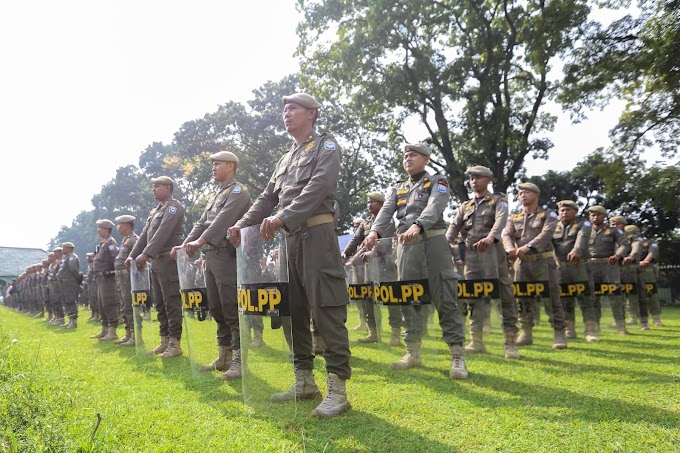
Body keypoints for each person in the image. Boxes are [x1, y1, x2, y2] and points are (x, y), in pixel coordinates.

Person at [227, 93, 351, 418]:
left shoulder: (326, 146)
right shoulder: (284, 159)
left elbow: (319, 186)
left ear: (311, 113)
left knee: (327, 309)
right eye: (284, 109)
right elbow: (268, 198)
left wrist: (285, 217)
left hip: (317, 235)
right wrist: (241, 224)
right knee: (292, 312)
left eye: (292, 108)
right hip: (288, 241)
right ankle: (305, 381)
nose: (286, 113)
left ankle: (338, 390)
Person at [365, 143, 469, 378]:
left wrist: (418, 225)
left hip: (433, 242)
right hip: (406, 248)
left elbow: (436, 206)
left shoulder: (437, 181)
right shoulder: (398, 187)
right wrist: (374, 232)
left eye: (413, 155)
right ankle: (412, 351)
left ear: (426, 158)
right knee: (408, 298)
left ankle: (457, 357)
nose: (407, 158)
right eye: (405, 155)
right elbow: (385, 212)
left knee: (445, 296)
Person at [173, 150, 252, 380]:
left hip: (227, 255)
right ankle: (224, 355)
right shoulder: (216, 194)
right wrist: (186, 244)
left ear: (231, 166)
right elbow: (201, 222)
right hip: (210, 255)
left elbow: (224, 219)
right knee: (216, 307)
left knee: (231, 306)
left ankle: (238, 360)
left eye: (217, 163)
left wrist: (201, 241)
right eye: (213, 164)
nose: (213, 167)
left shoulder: (239, 191)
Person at [446, 165, 520, 359]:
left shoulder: (498, 199)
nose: (474, 181)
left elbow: (501, 219)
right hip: (471, 256)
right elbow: (454, 226)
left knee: (504, 294)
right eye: (471, 178)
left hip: (493, 253)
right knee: (475, 296)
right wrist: (445, 242)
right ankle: (476, 340)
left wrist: (492, 237)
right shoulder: (466, 205)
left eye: (478, 177)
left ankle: (510, 342)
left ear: (489, 179)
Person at [502, 182, 567, 349]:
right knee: (522, 297)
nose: (523, 194)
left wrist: (527, 247)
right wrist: (509, 248)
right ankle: (526, 332)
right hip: (522, 264)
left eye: (527, 192)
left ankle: (559, 333)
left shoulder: (548, 215)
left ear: (536, 195)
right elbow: (507, 234)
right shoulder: (514, 217)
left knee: (551, 297)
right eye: (520, 192)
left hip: (543, 261)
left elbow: (546, 234)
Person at [127, 176, 185, 358]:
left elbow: (162, 233)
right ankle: (165, 341)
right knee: (159, 303)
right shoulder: (155, 210)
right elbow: (145, 235)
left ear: (168, 188)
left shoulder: (174, 207)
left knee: (171, 302)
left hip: (168, 260)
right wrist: (133, 255)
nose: (153, 189)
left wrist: (146, 254)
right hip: (156, 262)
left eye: (157, 186)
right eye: (153, 186)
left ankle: (175, 344)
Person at [342, 192, 401, 345]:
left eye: (373, 202)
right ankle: (373, 332)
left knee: (391, 297)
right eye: (368, 202)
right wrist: (346, 253)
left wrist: (372, 252)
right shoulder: (367, 223)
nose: (369, 205)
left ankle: (395, 334)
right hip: (370, 267)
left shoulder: (387, 221)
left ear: (382, 204)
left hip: (386, 264)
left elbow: (386, 241)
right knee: (368, 298)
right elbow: (356, 239)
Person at [552, 200, 599, 341]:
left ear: (575, 212)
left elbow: (582, 239)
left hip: (579, 266)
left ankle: (590, 331)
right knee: (565, 299)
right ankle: (569, 329)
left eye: (568, 210)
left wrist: (576, 251)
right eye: (562, 210)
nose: (564, 212)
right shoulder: (553, 226)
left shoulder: (583, 224)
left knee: (585, 298)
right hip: (560, 267)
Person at [587, 206, 631, 335]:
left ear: (604, 216)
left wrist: (618, 255)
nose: (595, 217)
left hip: (609, 265)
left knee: (615, 296)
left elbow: (625, 244)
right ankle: (595, 326)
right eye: (592, 215)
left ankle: (621, 326)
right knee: (593, 297)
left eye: (598, 215)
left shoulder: (614, 231)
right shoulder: (584, 231)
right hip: (591, 266)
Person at [89, 219, 120, 340]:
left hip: (108, 278)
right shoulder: (103, 243)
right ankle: (104, 329)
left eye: (100, 227)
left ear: (107, 229)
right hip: (100, 278)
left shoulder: (110, 243)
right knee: (101, 304)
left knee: (109, 303)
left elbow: (115, 259)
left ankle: (112, 331)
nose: (98, 230)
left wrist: (113, 273)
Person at [610, 216, 643, 325]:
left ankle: (633, 317)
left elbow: (636, 246)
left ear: (624, 225)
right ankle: (619, 318)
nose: (614, 226)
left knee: (630, 293)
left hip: (627, 266)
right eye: (612, 224)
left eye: (617, 224)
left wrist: (631, 256)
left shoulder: (631, 235)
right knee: (615, 294)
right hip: (613, 267)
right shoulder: (609, 235)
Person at [114, 215, 138, 346]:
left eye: (120, 225)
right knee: (124, 304)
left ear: (127, 225)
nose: (118, 227)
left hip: (129, 278)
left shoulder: (134, 240)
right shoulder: (125, 240)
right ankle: (128, 333)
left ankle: (135, 335)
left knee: (129, 304)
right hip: (122, 278)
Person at [636, 228, 663, 329]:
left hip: (647, 269)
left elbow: (653, 251)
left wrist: (646, 260)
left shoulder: (650, 242)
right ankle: (633, 318)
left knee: (651, 294)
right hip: (630, 269)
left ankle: (656, 318)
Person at [57, 242, 81, 329]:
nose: (62, 250)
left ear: (68, 248)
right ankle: (70, 320)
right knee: (67, 301)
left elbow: (73, 269)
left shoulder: (72, 257)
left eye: (64, 248)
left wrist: (78, 278)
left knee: (71, 301)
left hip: (70, 282)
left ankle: (73, 321)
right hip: (65, 282)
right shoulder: (67, 257)